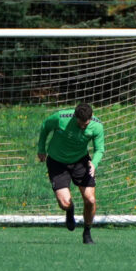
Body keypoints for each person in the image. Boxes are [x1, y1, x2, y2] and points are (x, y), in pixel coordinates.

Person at [36, 103, 105, 244]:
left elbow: (99, 149)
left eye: (85, 124)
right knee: (64, 203)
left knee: (90, 200)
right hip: (57, 163)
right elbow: (45, 126)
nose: (82, 127)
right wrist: (41, 148)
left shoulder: (97, 126)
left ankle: (87, 232)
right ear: (75, 117)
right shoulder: (61, 118)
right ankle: (70, 210)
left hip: (81, 162)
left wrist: (94, 163)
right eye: (80, 123)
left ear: (91, 118)